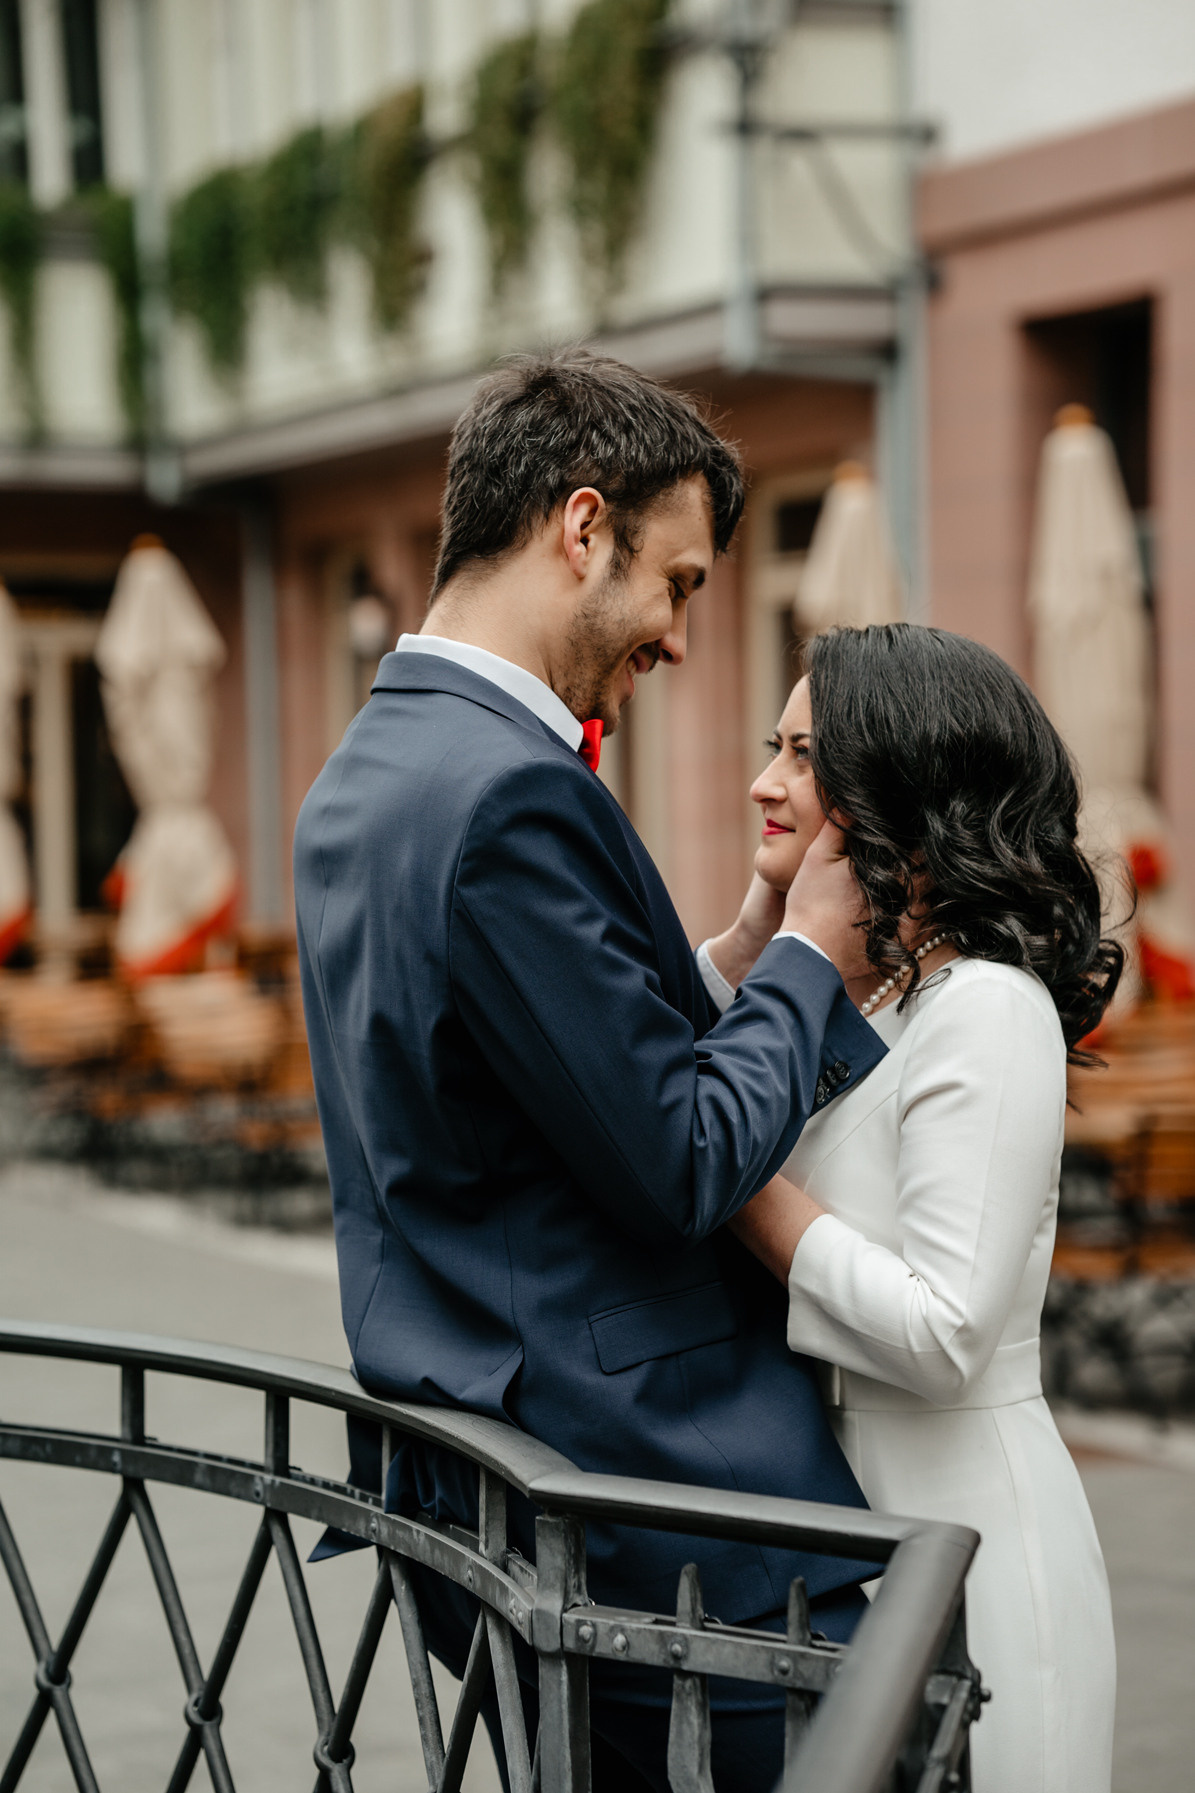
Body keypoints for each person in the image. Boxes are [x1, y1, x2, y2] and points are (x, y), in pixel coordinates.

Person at [292, 351, 887, 1788]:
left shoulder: (365, 773)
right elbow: (674, 1155)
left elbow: (520, 1078)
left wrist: (735, 955)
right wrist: (810, 949)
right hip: (653, 1507)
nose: (680, 636)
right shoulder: (510, 790)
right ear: (578, 527)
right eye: (676, 582)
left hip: (505, 1475)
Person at [724, 624, 1121, 1793]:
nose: (765, 780)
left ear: (895, 785)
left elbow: (946, 1329)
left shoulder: (986, 1008)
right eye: (770, 746)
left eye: (802, 755)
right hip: (883, 1537)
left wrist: (735, 1183)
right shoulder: (900, 996)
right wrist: (764, 930)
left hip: (979, 1549)